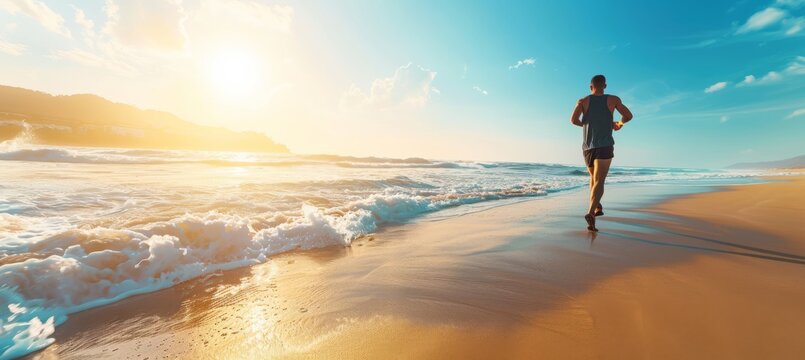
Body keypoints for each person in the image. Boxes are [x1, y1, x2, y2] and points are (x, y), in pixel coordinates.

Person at [570, 74, 633, 231]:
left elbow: (573, 120)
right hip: (604, 145)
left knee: (593, 178)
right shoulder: (613, 99)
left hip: (587, 147)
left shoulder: (583, 101)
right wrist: (618, 124)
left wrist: (589, 124)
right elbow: (628, 116)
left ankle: (597, 207)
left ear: (590, 87)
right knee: (599, 180)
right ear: (604, 85)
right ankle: (591, 213)